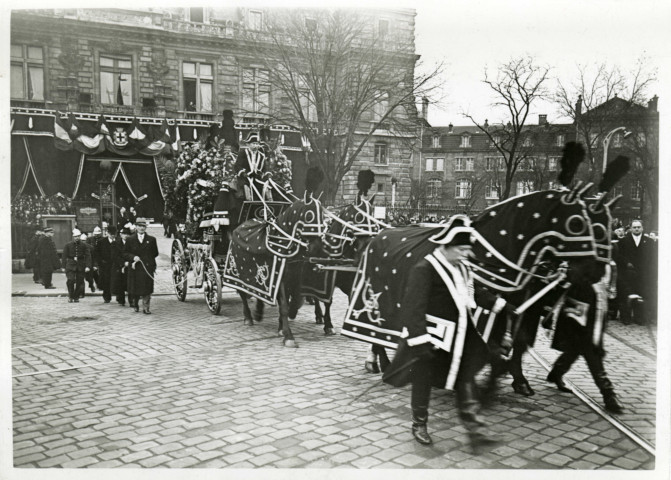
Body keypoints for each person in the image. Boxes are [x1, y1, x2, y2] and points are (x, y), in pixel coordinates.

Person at [383, 216, 506, 450]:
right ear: (447, 246)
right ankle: (419, 423)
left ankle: (476, 431)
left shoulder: (462, 268)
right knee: (423, 380)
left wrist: (500, 305)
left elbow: (474, 293)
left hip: (461, 337)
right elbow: (413, 307)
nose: (464, 254)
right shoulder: (425, 268)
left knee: (465, 378)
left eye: (467, 250)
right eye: (460, 249)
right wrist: (420, 341)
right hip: (432, 338)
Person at [545, 259, 625, 413]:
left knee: (577, 349)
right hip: (577, 311)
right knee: (591, 351)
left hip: (597, 313)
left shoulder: (610, 262)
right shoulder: (580, 255)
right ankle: (608, 394)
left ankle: (556, 372)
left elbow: (613, 286)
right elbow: (571, 278)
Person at [617, 220, 653, 325]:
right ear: (631, 228)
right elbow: (619, 256)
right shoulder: (623, 241)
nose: (636, 229)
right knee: (626, 294)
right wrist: (626, 263)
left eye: (638, 227)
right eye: (634, 227)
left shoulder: (649, 241)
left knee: (641, 294)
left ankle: (640, 318)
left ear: (642, 228)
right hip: (628, 273)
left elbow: (652, 258)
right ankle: (626, 318)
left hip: (643, 273)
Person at [124, 218, 158, 314]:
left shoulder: (151, 240)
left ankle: (146, 307)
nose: (141, 228)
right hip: (135, 267)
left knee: (147, 288)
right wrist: (133, 257)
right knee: (135, 287)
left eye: (143, 226)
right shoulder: (130, 239)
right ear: (136, 227)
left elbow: (155, 253)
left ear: (146, 227)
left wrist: (147, 259)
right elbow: (125, 253)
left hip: (147, 267)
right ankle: (135, 304)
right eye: (139, 226)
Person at [62, 229, 92, 302]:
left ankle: (76, 296)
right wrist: (63, 266)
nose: (77, 238)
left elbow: (88, 256)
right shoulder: (68, 245)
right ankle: (70, 295)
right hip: (70, 264)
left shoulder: (84, 245)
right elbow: (64, 256)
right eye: (75, 236)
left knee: (80, 282)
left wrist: (88, 266)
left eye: (78, 236)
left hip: (80, 264)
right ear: (73, 237)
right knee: (70, 280)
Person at [95, 225, 117, 303]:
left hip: (115, 265)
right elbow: (97, 253)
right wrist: (100, 262)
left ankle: (119, 296)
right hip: (105, 265)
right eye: (111, 234)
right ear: (107, 233)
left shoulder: (118, 241)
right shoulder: (101, 242)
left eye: (114, 234)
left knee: (116, 280)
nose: (112, 235)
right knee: (106, 281)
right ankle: (107, 296)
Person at [112, 226, 131, 306]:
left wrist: (129, 262)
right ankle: (121, 299)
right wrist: (123, 263)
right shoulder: (115, 243)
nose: (125, 235)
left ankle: (132, 300)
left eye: (127, 234)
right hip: (119, 266)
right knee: (119, 283)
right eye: (124, 234)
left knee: (130, 283)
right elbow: (115, 256)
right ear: (120, 235)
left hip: (129, 265)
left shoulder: (132, 243)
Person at [86, 226, 103, 293]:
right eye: (95, 234)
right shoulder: (89, 239)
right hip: (91, 257)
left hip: (100, 257)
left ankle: (99, 285)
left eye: (98, 234)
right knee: (91, 273)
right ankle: (91, 285)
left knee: (99, 273)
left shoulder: (102, 239)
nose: (96, 235)